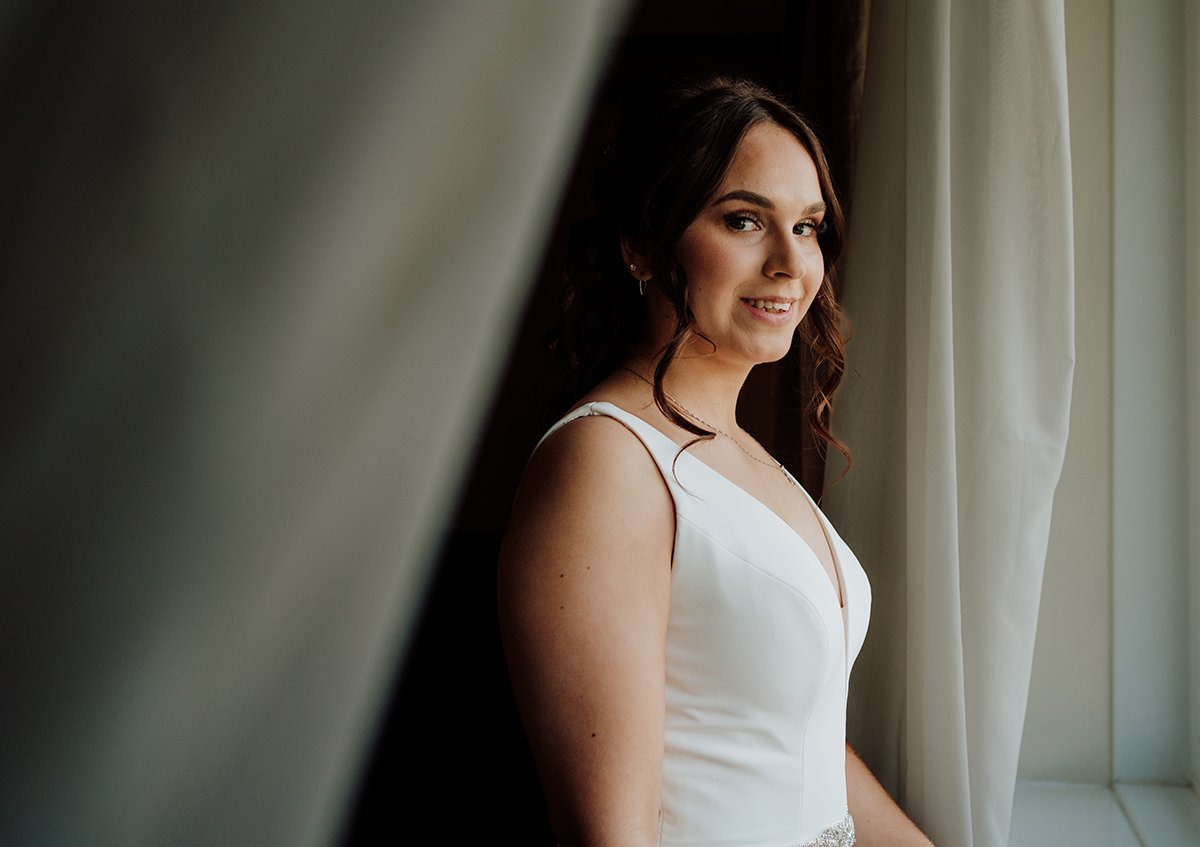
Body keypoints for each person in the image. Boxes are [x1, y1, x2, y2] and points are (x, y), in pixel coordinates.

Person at [497, 77, 933, 847]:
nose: (790, 264)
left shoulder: (738, 451)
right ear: (641, 244)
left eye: (807, 226)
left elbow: (796, 739)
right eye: (744, 220)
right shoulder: (607, 462)